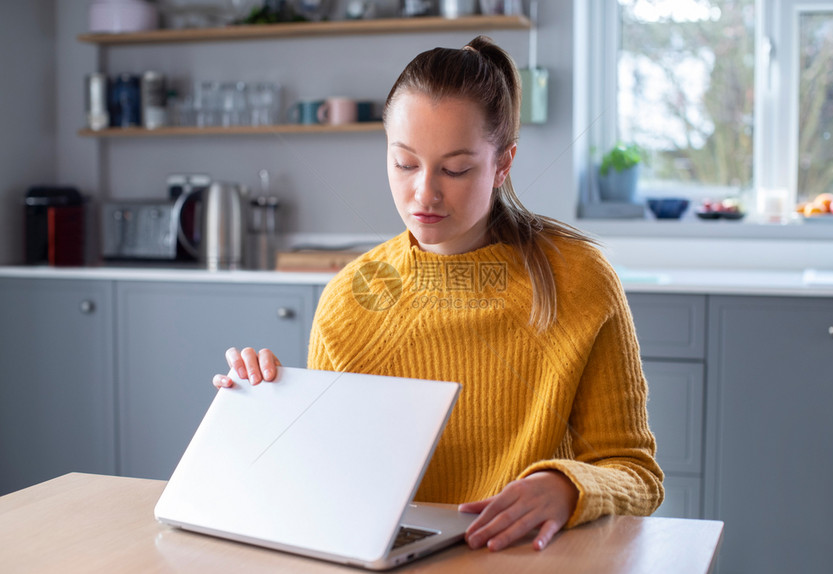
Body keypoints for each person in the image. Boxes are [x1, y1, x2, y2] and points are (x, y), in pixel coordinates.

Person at [214, 35, 663, 553]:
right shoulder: (350, 298)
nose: (424, 194)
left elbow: (636, 473)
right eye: (405, 164)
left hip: (528, 561)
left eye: (455, 169)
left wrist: (568, 487)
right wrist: (261, 410)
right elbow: (331, 484)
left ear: (503, 164)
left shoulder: (580, 279)